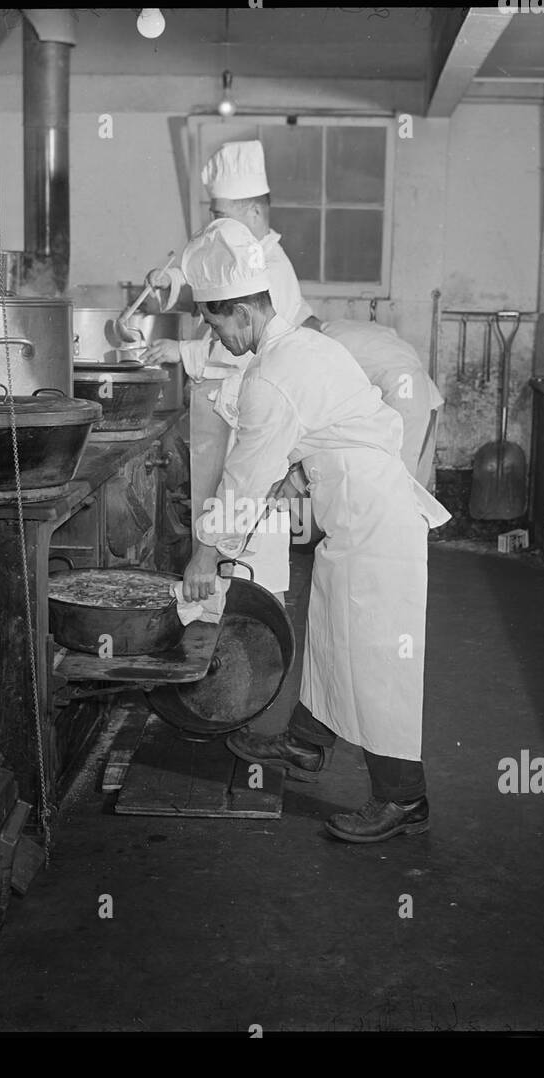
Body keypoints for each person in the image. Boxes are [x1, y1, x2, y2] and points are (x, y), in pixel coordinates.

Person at [179, 218, 451, 845]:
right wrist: (302, 472)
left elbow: (241, 481)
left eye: (214, 321)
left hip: (377, 526)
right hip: (354, 515)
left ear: (244, 309)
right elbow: (351, 425)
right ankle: (303, 745)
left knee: (378, 658)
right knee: (332, 635)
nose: (213, 333)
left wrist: (203, 556)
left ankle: (402, 799)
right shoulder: (299, 350)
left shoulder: (273, 377)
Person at [144, 140, 314, 600]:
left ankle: (249, 621)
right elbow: (209, 290)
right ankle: (231, 618)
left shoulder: (271, 272)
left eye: (223, 214)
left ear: (255, 213)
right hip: (230, 417)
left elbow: (241, 356)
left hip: (248, 422)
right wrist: (170, 282)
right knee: (228, 537)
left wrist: (182, 352)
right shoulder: (243, 260)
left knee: (251, 547)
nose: (214, 225)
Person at [305, 317, 445, 487]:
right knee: (415, 475)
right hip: (422, 388)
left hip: (404, 392)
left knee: (402, 477)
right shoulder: (342, 326)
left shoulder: (323, 344)